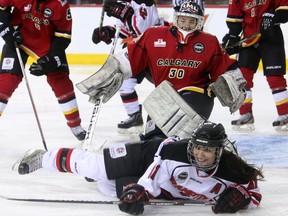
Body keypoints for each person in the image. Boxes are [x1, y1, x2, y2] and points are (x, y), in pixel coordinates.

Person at [77, 0, 246, 141]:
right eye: (183, 20)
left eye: (192, 21)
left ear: (199, 22)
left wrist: (231, 80)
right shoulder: (153, 36)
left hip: (197, 96)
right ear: (176, 18)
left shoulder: (209, 42)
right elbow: (130, 59)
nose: (186, 25)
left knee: (180, 139)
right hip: (163, 99)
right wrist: (108, 76)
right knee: (153, 139)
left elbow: (224, 68)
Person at [13, 121, 264, 214]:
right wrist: (140, 191)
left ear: (219, 151)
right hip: (146, 158)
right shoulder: (175, 153)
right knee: (95, 168)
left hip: (165, 183)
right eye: (197, 147)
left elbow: (253, 193)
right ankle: (44, 158)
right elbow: (152, 176)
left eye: (207, 150)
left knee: (110, 187)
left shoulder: (231, 169)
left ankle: (102, 174)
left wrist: (240, 199)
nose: (199, 154)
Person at [0, 0, 86, 140]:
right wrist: (5, 29)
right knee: (6, 81)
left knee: (61, 81)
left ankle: (75, 125)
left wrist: (51, 59)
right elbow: (1, 7)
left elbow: (63, 37)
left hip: (47, 44)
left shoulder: (60, 5)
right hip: (18, 39)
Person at [92, 0, 168, 134]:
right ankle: (134, 116)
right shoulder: (128, 3)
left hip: (157, 50)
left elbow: (145, 33)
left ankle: (171, 116)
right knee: (125, 81)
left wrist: (127, 15)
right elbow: (125, 31)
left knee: (165, 86)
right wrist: (108, 32)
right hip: (141, 51)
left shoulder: (146, 2)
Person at [222, 0, 288, 131]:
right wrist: (233, 36)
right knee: (242, 77)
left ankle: (284, 113)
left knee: (275, 78)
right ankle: (246, 114)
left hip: (271, 38)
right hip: (248, 41)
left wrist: (275, 17)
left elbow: (284, 7)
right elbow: (235, 18)